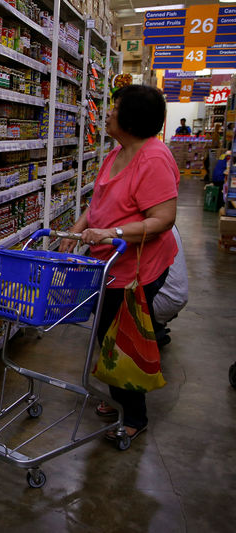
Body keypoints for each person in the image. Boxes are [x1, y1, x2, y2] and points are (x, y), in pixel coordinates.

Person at [59, 84, 179, 443]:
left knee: (119, 336)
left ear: (131, 119)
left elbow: (163, 219)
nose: (107, 113)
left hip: (138, 267)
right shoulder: (118, 153)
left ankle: (134, 415)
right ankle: (118, 395)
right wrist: (77, 230)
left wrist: (112, 232)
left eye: (114, 108)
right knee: (107, 333)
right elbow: (98, 203)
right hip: (109, 263)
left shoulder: (154, 158)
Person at [152, 226, 188, 348]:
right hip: (175, 298)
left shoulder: (147, 224)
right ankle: (155, 328)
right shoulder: (166, 219)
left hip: (162, 300)